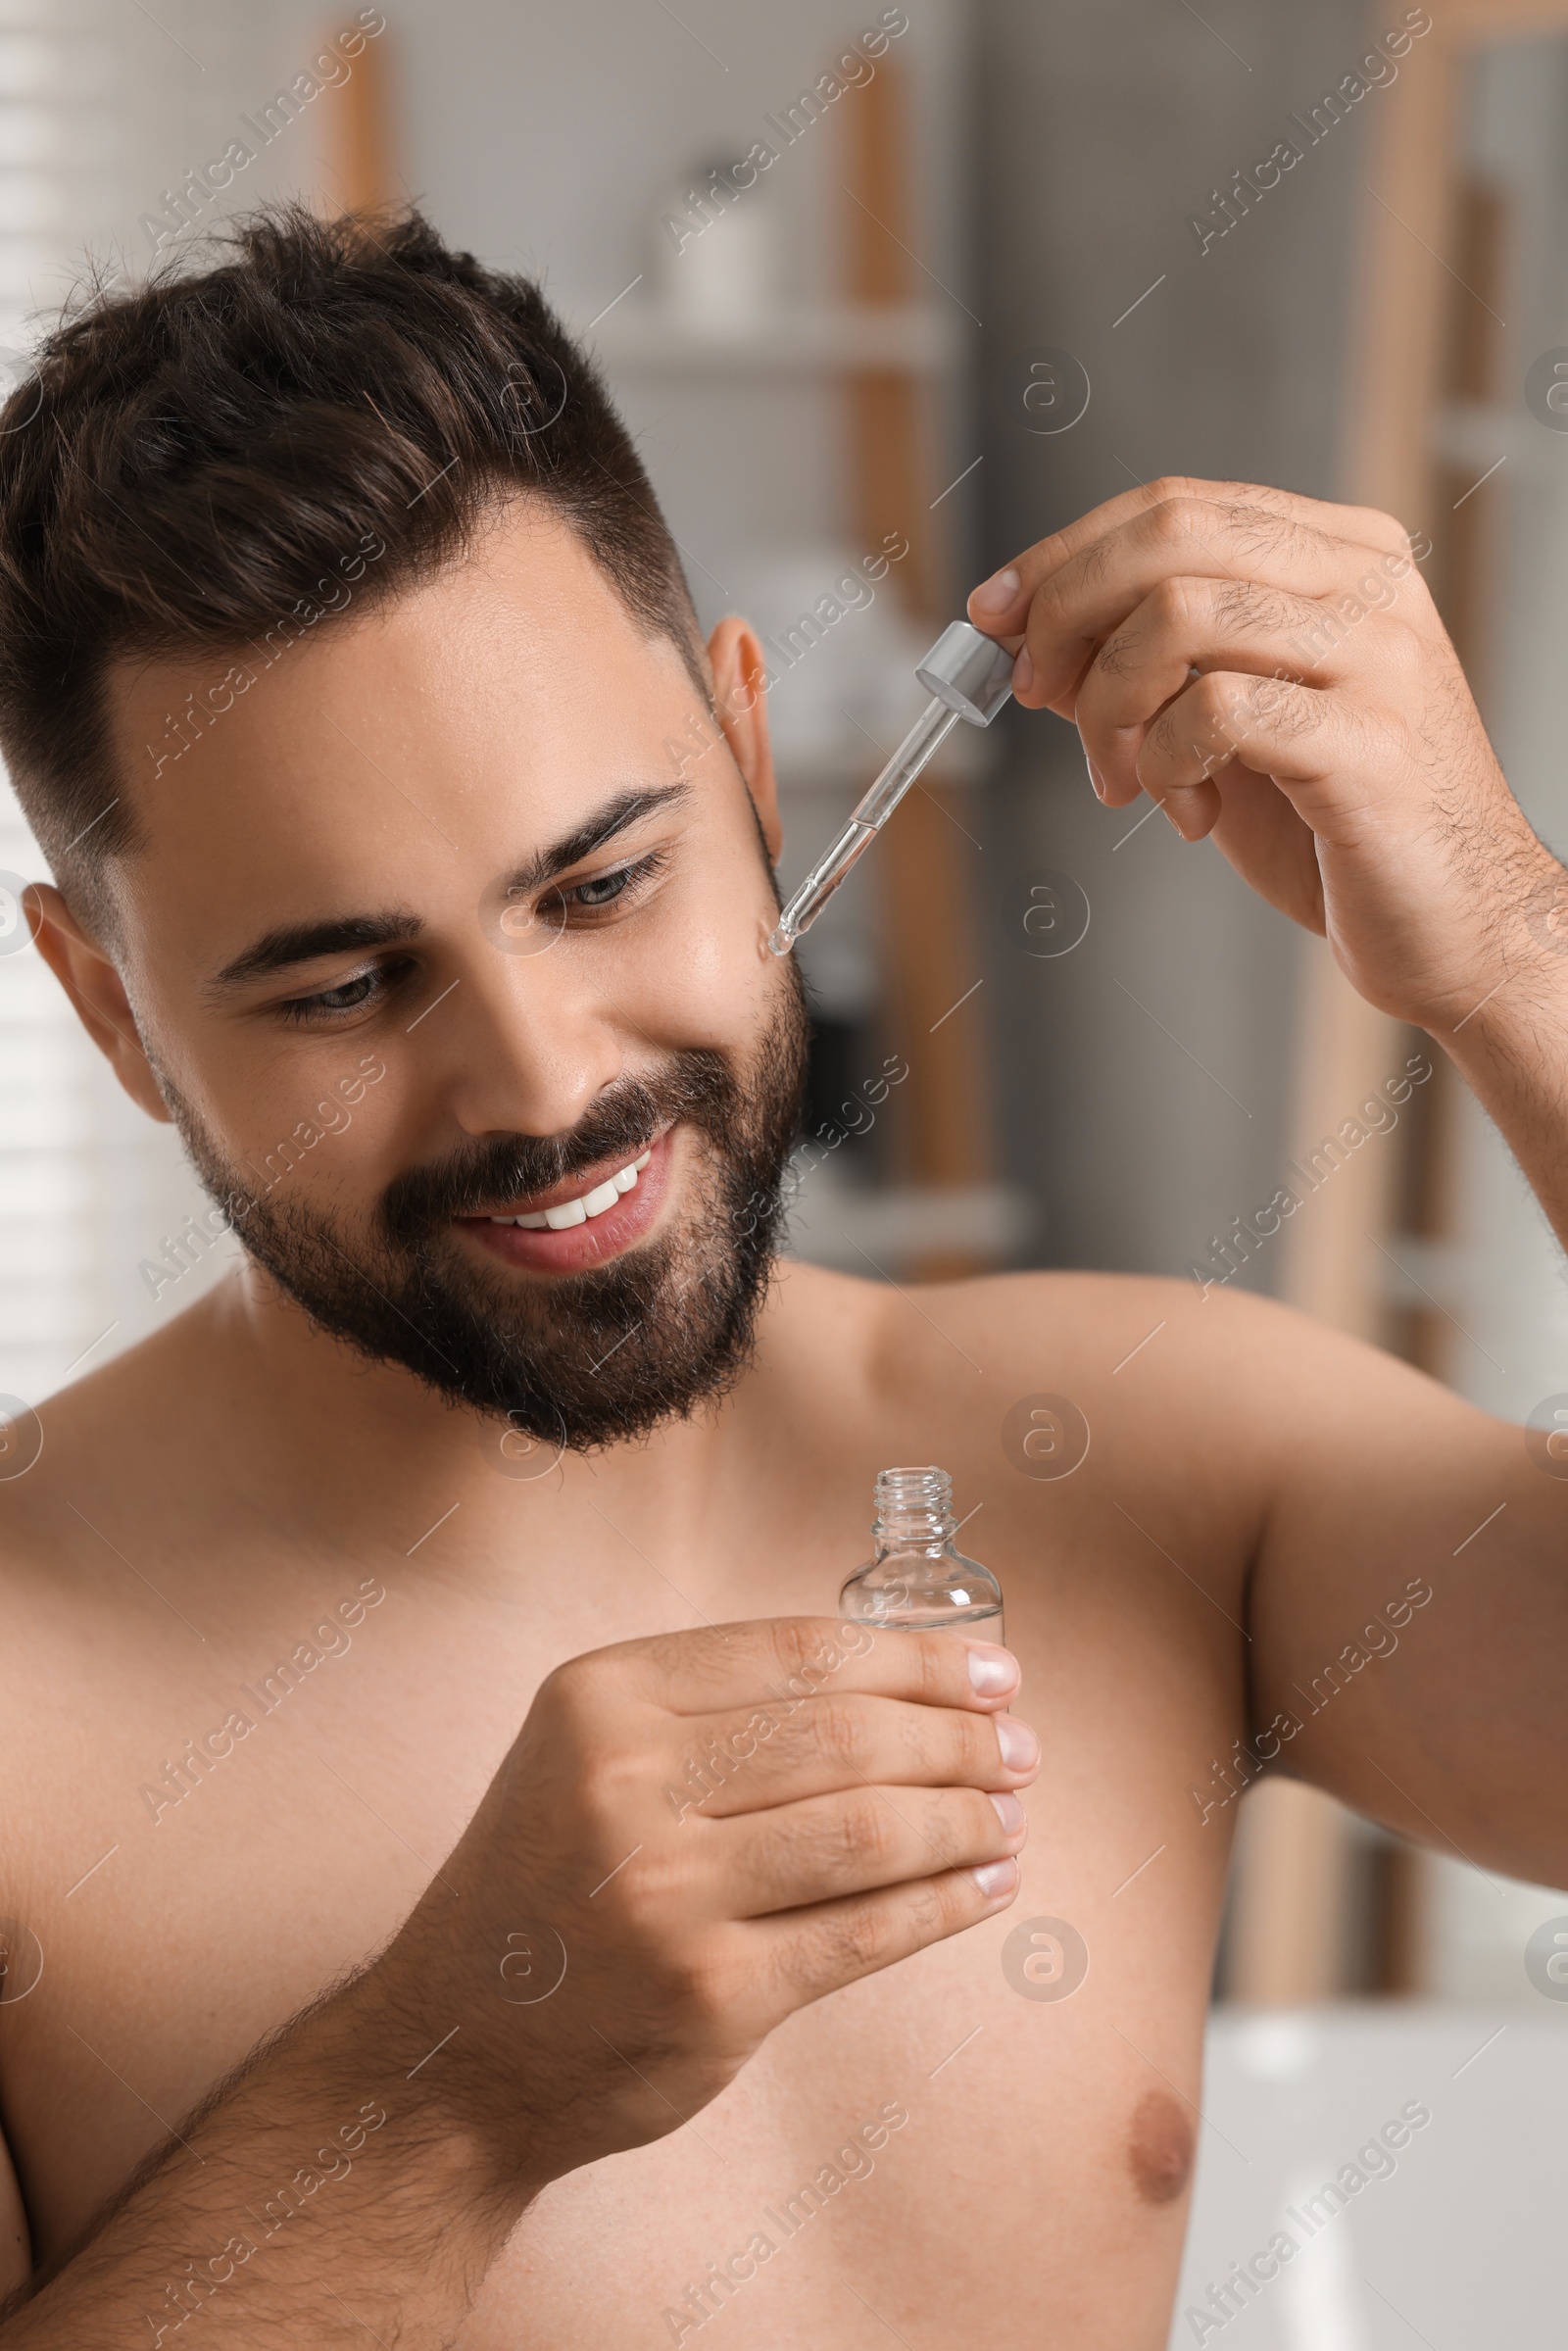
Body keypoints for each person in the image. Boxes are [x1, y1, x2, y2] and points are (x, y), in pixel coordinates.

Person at [0, 207, 1562, 2351]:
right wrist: (448, 2095)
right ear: (106, 1005)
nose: (542, 1084)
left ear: (746, 754)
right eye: (349, 985)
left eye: (602, 879)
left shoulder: (1155, 1460)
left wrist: (1506, 955)